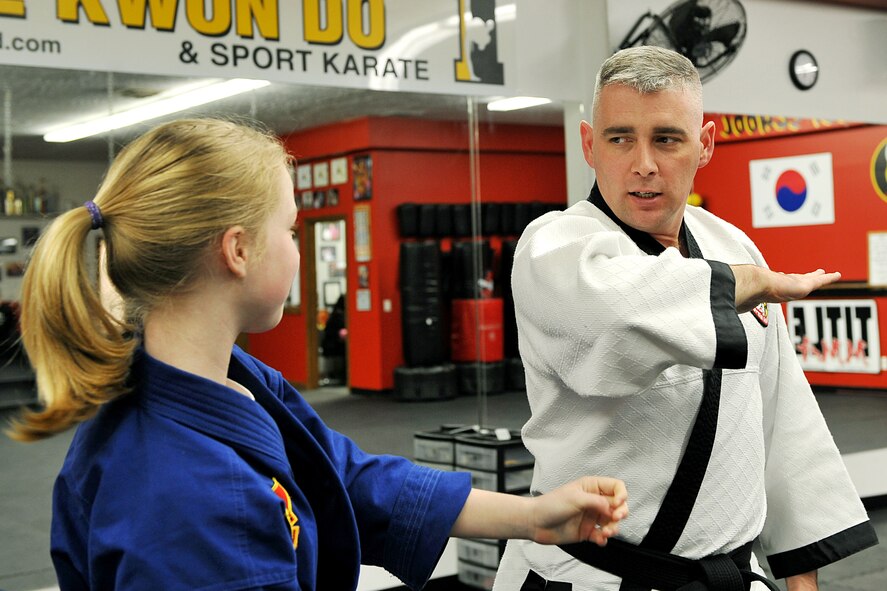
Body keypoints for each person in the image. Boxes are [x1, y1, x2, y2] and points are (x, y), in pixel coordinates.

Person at [6, 118, 628, 591]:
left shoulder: (234, 382)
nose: (297, 249)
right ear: (238, 250)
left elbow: (344, 478)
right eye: (291, 230)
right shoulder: (199, 503)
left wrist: (534, 517)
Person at [494, 46, 878, 591]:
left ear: (705, 145)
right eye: (619, 138)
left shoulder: (730, 244)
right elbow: (617, 314)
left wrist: (800, 576)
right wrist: (748, 283)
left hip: (727, 576)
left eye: (667, 139)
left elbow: (781, 417)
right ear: (588, 145)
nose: (643, 163)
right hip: (593, 578)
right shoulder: (553, 246)